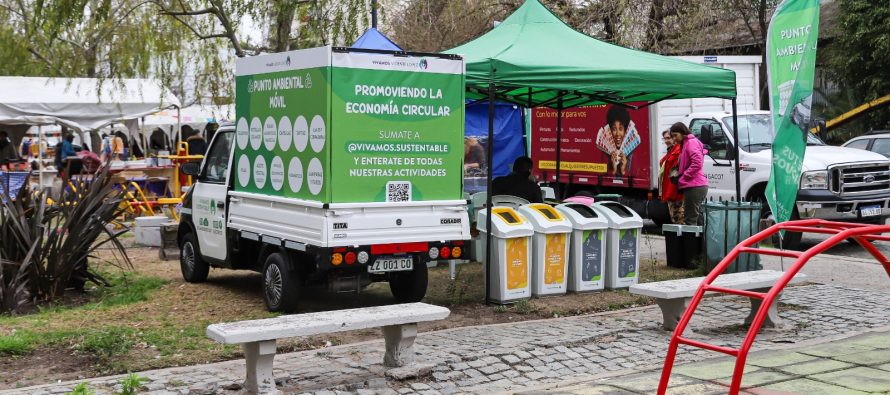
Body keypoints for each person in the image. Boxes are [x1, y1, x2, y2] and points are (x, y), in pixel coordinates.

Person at [670, 122, 708, 225]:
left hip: (694, 185)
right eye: (672, 136)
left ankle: (692, 240)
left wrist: (684, 176)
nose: (674, 139)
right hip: (695, 185)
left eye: (675, 135)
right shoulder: (687, 143)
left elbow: (697, 163)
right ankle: (701, 240)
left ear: (683, 132)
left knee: (690, 219)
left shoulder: (691, 143)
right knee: (697, 218)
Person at [659, 130, 684, 224]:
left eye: (668, 138)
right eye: (664, 138)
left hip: (675, 191)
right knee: (675, 218)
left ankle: (682, 238)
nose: (666, 141)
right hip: (670, 190)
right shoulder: (671, 150)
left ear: (674, 138)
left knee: (679, 219)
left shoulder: (677, 150)